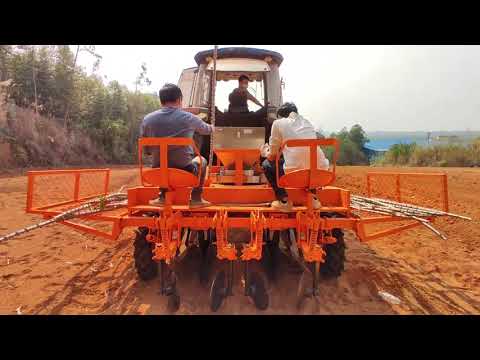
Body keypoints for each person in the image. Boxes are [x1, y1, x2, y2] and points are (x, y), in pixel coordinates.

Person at [140, 83, 213, 205]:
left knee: (162, 161)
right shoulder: (189, 117)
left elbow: (147, 151)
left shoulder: (147, 119)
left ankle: (162, 196)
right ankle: (196, 198)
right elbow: (206, 130)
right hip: (184, 172)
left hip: (157, 172)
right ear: (179, 99)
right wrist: (213, 127)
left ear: (161, 100)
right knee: (203, 161)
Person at [261, 102, 329, 211]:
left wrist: (264, 152)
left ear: (280, 116)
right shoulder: (307, 123)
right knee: (308, 159)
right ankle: (313, 198)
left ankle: (283, 201)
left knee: (266, 164)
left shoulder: (278, 123)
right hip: (321, 172)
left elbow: (272, 156)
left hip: (294, 173)